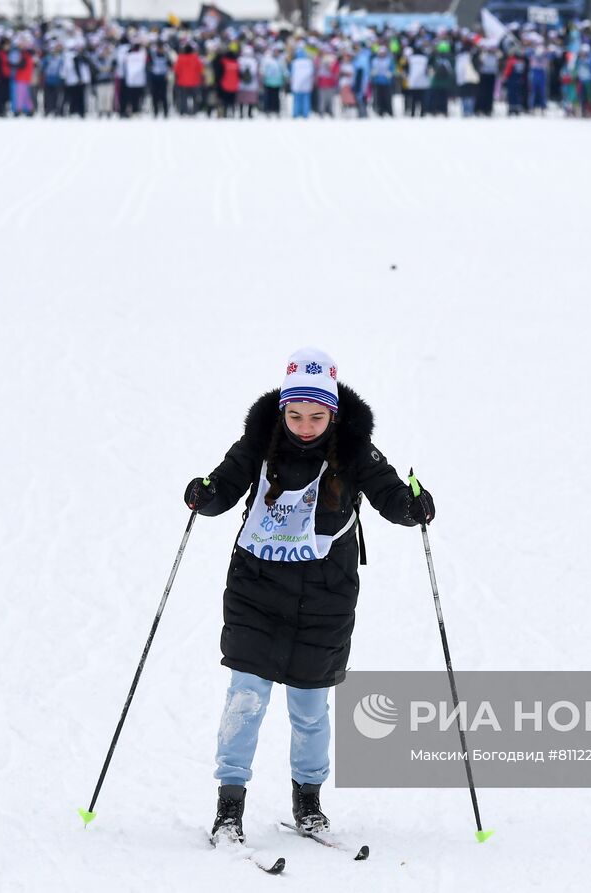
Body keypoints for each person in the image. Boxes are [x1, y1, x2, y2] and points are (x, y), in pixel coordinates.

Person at [184, 349, 436, 845]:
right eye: (295, 415)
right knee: (246, 698)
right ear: (282, 409)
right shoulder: (257, 444)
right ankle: (229, 807)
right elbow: (224, 486)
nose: (304, 426)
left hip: (325, 597)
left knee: (309, 708)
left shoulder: (356, 450)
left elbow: (389, 495)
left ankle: (309, 803)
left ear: (333, 414)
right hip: (256, 589)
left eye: (316, 417)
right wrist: (204, 496)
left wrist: (412, 507)